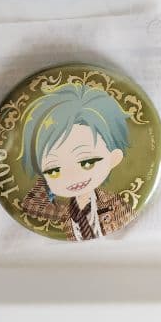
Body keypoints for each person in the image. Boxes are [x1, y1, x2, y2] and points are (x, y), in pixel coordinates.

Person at [18, 83, 133, 241]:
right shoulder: (63, 212)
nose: (72, 175)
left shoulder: (115, 205)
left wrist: (53, 170)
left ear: (114, 158)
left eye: (87, 163)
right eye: (54, 170)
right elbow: (29, 205)